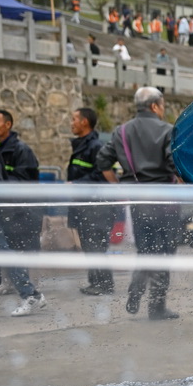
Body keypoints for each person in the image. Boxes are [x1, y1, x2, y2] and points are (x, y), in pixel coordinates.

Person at [95, 87, 181, 320]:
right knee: (164, 253)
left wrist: (118, 186)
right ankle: (156, 306)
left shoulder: (121, 132)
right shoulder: (167, 131)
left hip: (138, 201)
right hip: (165, 201)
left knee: (145, 250)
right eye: (162, 105)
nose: (162, 110)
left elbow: (102, 161)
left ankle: (135, 290)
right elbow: (175, 165)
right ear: (154, 106)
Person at [0, 109, 47, 316]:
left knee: (7, 251)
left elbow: (24, 182)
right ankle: (27, 291)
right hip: (4, 207)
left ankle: (30, 293)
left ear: (8, 124)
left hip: (18, 209)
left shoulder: (21, 150)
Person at [66, 107, 117, 295]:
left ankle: (105, 284)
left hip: (96, 208)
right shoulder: (81, 146)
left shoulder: (95, 147)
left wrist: (76, 184)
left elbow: (103, 176)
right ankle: (95, 282)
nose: (71, 123)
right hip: (83, 206)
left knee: (96, 246)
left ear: (84, 122)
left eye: (74, 119)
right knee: (88, 246)